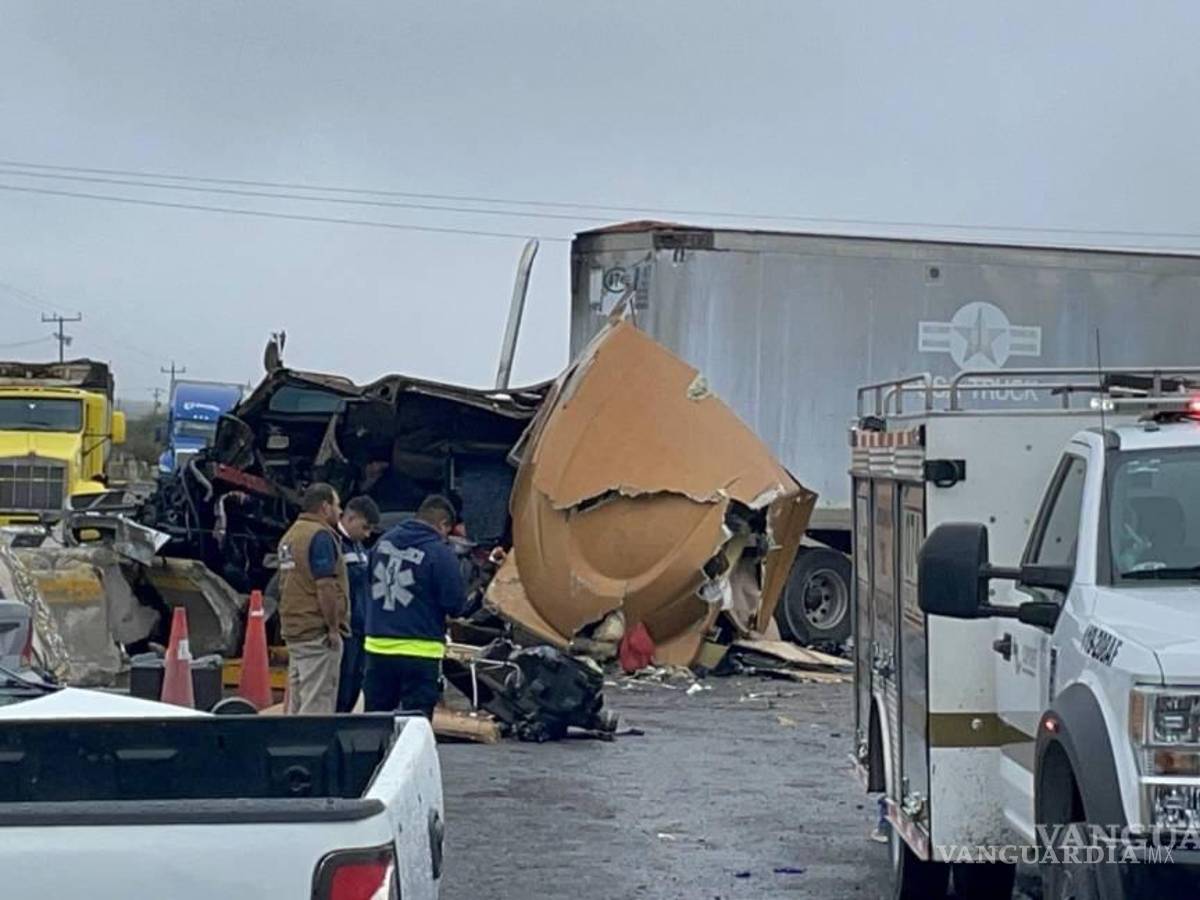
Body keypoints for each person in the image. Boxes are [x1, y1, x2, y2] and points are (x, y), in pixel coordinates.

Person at [363, 494, 468, 718]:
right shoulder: (439, 553)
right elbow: (454, 604)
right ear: (443, 525)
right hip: (420, 651)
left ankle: (377, 755)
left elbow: (368, 581)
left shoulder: (382, 543)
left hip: (377, 648)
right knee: (415, 726)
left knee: (374, 725)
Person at [277, 482, 349, 714]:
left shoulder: (290, 535)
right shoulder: (320, 536)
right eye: (337, 506)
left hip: (294, 627)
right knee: (317, 701)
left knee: (297, 700)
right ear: (325, 507)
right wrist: (333, 628)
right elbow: (325, 586)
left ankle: (292, 745)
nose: (340, 512)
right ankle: (312, 747)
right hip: (316, 629)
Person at [336, 495, 382, 712]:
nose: (367, 534)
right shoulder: (335, 543)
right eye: (364, 527)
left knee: (355, 683)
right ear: (350, 518)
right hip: (345, 627)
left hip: (361, 626)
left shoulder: (359, 549)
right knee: (342, 684)